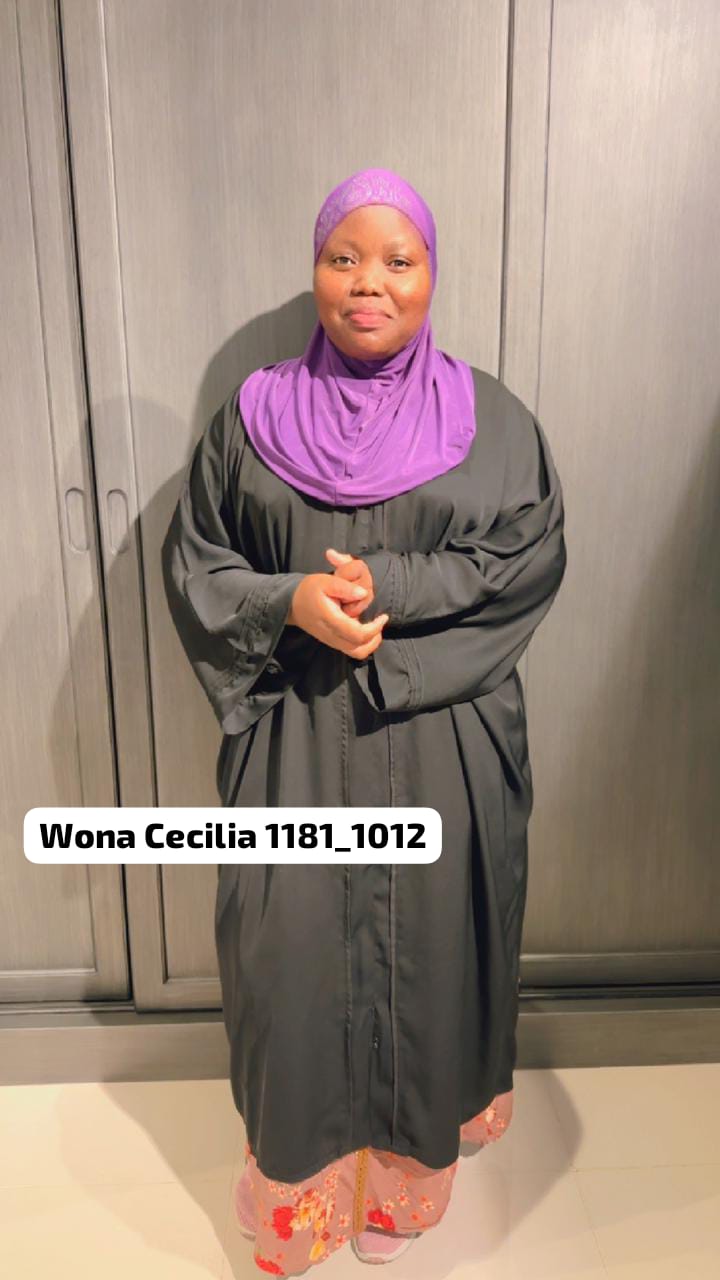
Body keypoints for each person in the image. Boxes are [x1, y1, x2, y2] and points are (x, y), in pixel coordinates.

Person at [161, 167, 567, 1274]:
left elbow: (525, 563)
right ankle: (299, 1207)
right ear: (316, 272)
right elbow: (199, 565)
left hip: (442, 742)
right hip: (294, 738)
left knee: (429, 960)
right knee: (288, 964)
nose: (369, 282)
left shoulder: (494, 422)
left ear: (432, 274)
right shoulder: (251, 418)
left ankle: (398, 1192)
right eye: (344, 257)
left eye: (399, 260)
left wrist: (396, 588)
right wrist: (286, 602)